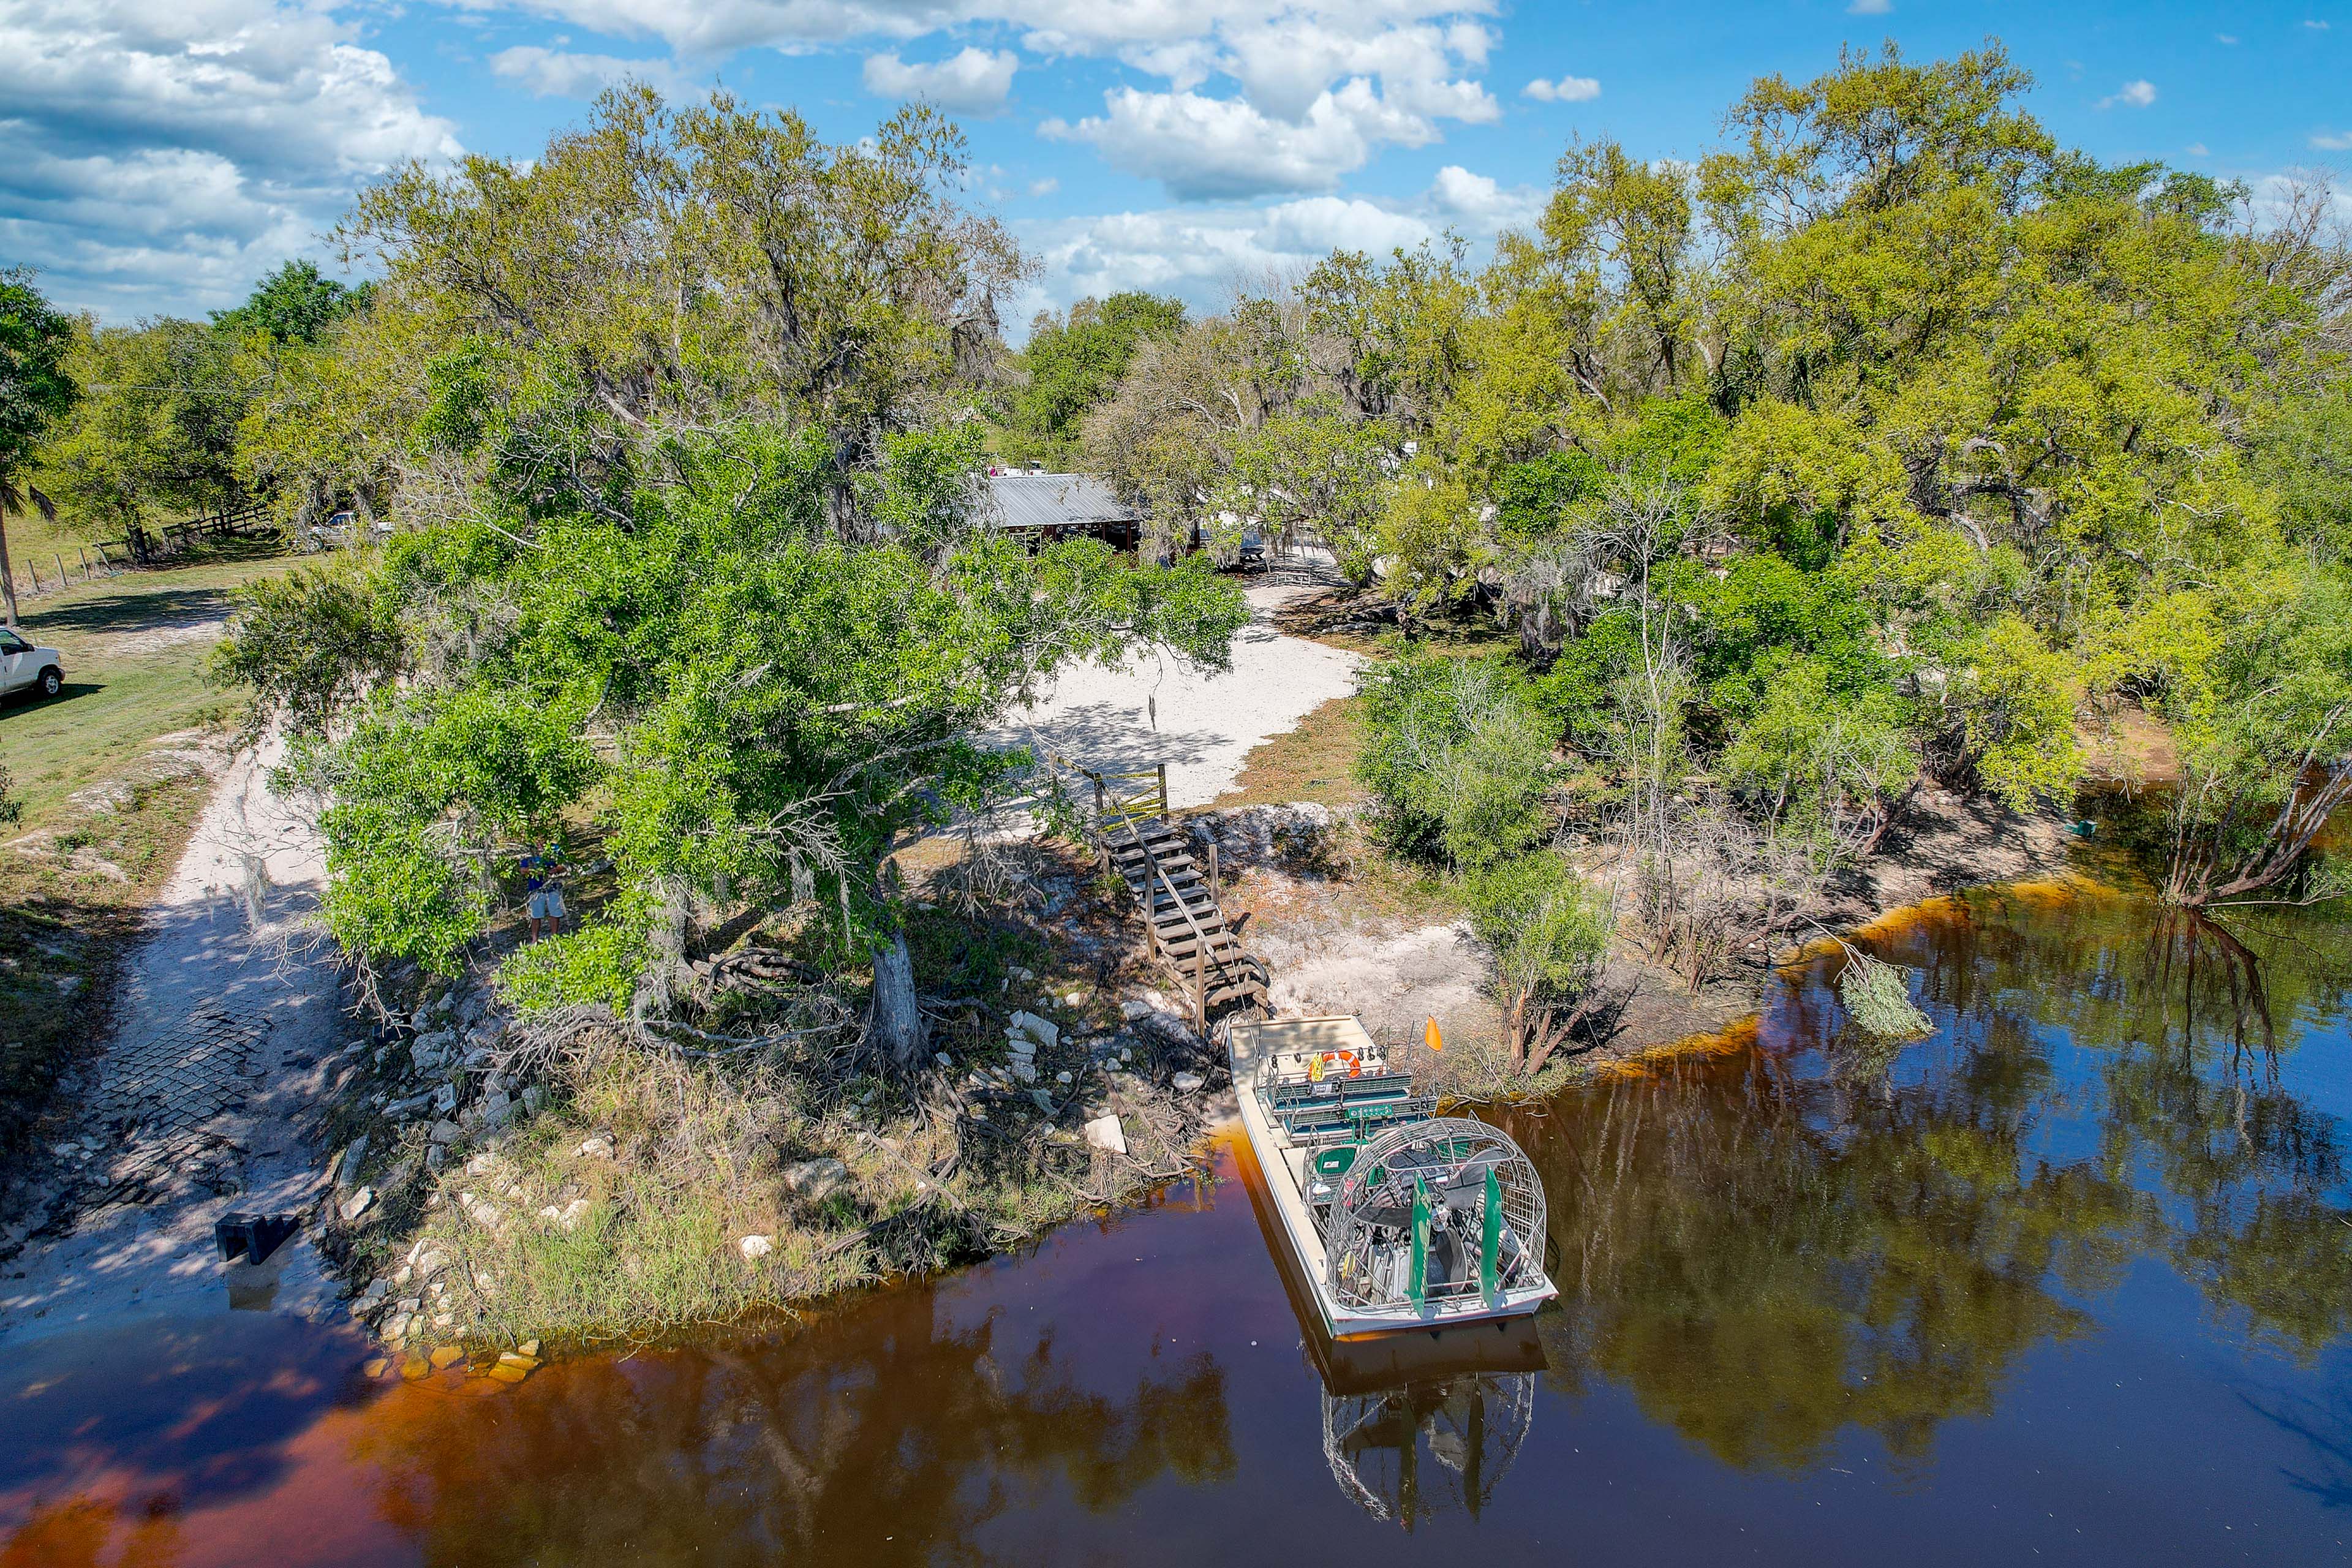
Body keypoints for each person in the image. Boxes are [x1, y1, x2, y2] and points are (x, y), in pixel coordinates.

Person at [520, 840, 567, 941]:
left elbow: (563, 865)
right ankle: (535, 940)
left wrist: (556, 870)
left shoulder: (555, 848)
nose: (539, 842)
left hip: (554, 886)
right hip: (536, 888)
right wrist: (537, 872)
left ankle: (554, 938)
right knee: (536, 915)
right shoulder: (529, 851)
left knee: (555, 913)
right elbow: (523, 870)